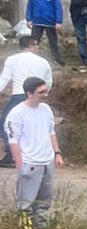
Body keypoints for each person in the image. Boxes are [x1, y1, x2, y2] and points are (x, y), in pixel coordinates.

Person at [6, 77, 62, 229]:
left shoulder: (45, 109)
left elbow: (51, 131)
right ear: (29, 93)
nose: (45, 94)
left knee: (44, 202)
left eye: (46, 91)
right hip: (30, 163)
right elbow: (13, 140)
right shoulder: (17, 113)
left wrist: (57, 153)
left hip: (47, 161)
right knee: (25, 204)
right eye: (41, 92)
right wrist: (20, 165)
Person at [0, 38, 53, 168]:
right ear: (30, 46)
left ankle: (12, 155)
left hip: (19, 95)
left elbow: (5, 78)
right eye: (36, 45)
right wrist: (43, 94)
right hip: (37, 97)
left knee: (6, 125)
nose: (38, 47)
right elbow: (48, 81)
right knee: (35, 127)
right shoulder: (43, 62)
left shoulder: (12, 59)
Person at [26, 0, 65, 67]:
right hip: (37, 22)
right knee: (34, 42)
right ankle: (31, 59)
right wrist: (29, 19)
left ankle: (57, 59)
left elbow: (58, 8)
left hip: (50, 22)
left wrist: (58, 21)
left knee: (53, 42)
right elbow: (29, 7)